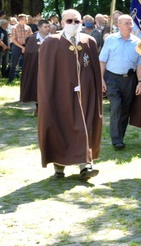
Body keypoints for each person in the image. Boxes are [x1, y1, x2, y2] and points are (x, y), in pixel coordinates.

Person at [37, 9, 103, 181]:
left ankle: (86, 165)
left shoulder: (89, 41)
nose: (74, 24)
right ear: (61, 22)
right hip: (60, 96)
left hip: (85, 96)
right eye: (70, 21)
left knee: (85, 126)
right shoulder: (51, 42)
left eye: (77, 21)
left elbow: (94, 69)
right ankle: (59, 166)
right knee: (60, 127)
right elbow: (46, 73)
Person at [99, 15, 141, 150]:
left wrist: (140, 82)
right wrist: (101, 79)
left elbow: (140, 64)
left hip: (130, 79)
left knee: (125, 110)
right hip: (113, 78)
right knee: (116, 107)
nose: (129, 26)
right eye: (126, 23)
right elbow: (102, 60)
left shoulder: (137, 42)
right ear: (118, 25)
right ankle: (116, 140)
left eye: (130, 23)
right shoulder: (110, 40)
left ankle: (120, 137)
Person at [20, 19, 51, 115]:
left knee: (49, 87)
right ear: (39, 28)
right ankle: (38, 107)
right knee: (36, 87)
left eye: (48, 26)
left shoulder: (53, 39)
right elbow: (28, 52)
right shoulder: (31, 39)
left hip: (49, 69)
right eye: (45, 27)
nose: (47, 29)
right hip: (35, 67)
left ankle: (48, 108)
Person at [8, 14, 32, 83]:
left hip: (26, 45)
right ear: (21, 20)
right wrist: (22, 47)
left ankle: (26, 79)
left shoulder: (28, 28)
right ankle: (11, 78)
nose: (27, 20)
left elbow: (31, 37)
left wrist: (26, 46)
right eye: (25, 19)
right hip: (17, 46)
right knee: (14, 62)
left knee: (27, 62)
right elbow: (13, 39)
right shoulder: (14, 28)